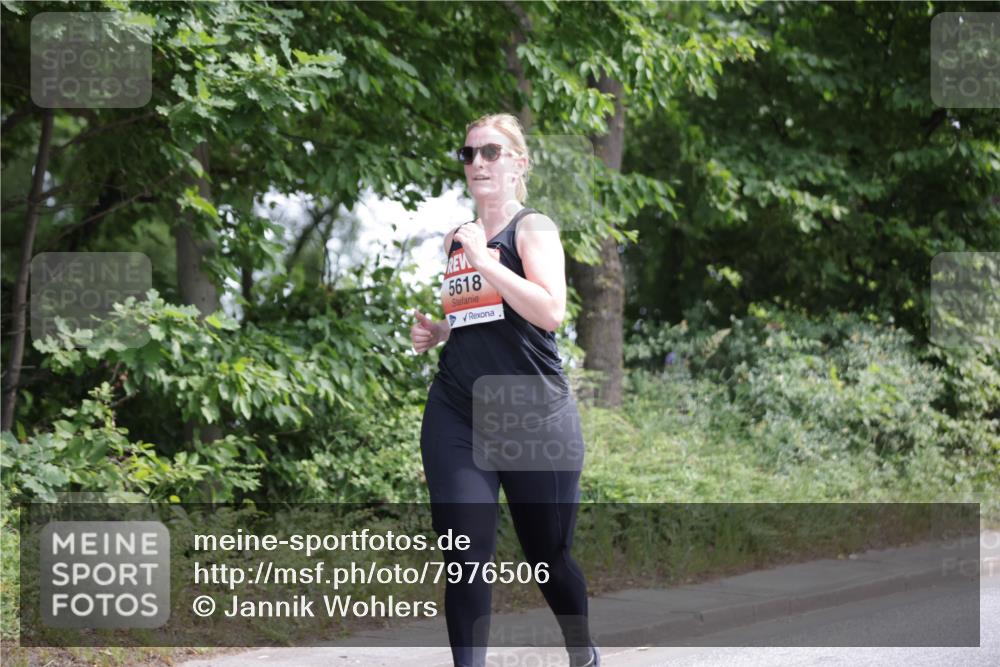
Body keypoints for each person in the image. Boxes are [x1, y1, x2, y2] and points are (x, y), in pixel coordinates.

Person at [410, 113, 599, 667]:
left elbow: (550, 312)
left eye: (491, 152)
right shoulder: (458, 238)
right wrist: (440, 331)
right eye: (469, 155)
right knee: (464, 555)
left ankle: (580, 651)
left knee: (551, 558)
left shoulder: (532, 228)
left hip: (532, 415)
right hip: (458, 410)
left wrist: (484, 263)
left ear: (518, 163)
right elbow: (483, 319)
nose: (478, 164)